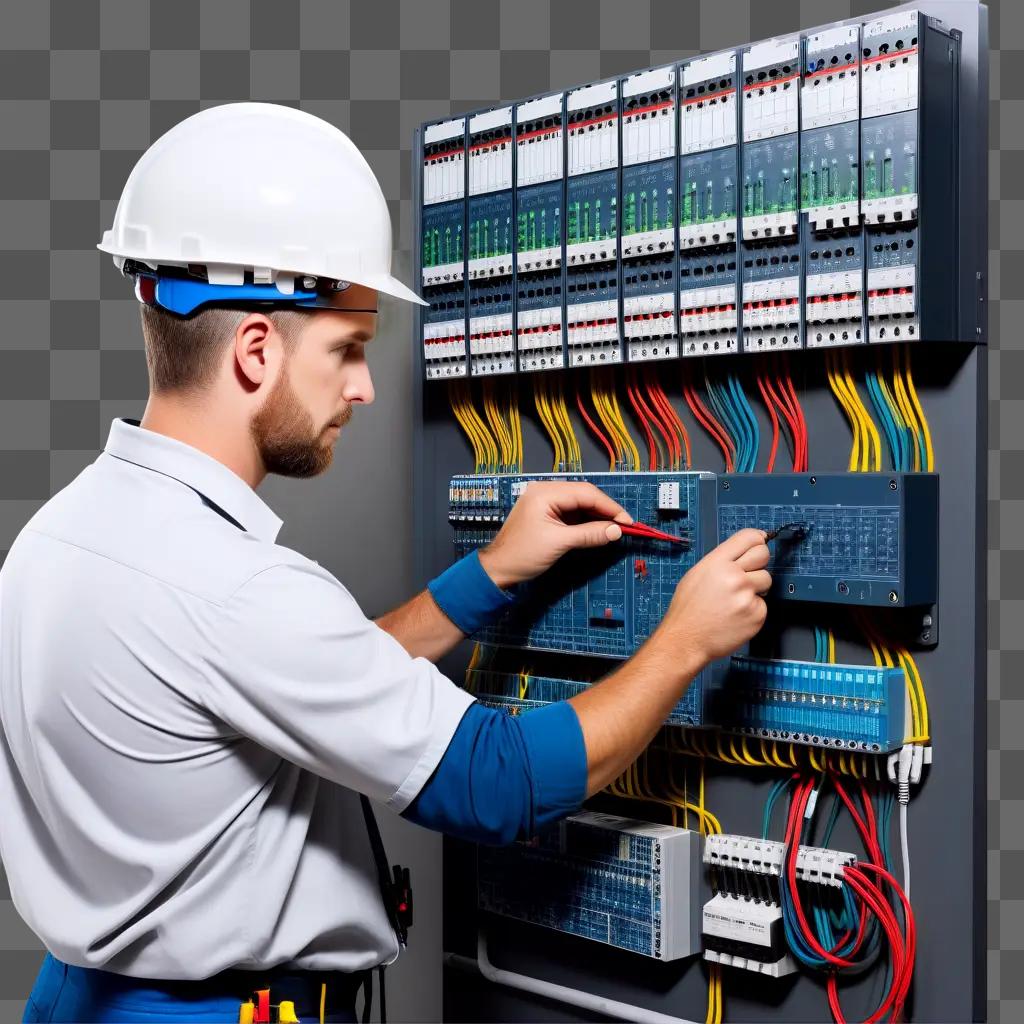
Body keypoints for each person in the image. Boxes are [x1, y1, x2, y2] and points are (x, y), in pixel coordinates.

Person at [0, 103, 771, 1023]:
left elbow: (288, 680)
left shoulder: (60, 535)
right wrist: (687, 639)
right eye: (348, 349)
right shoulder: (239, 590)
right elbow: (502, 782)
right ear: (255, 352)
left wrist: (488, 574)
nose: (364, 386)